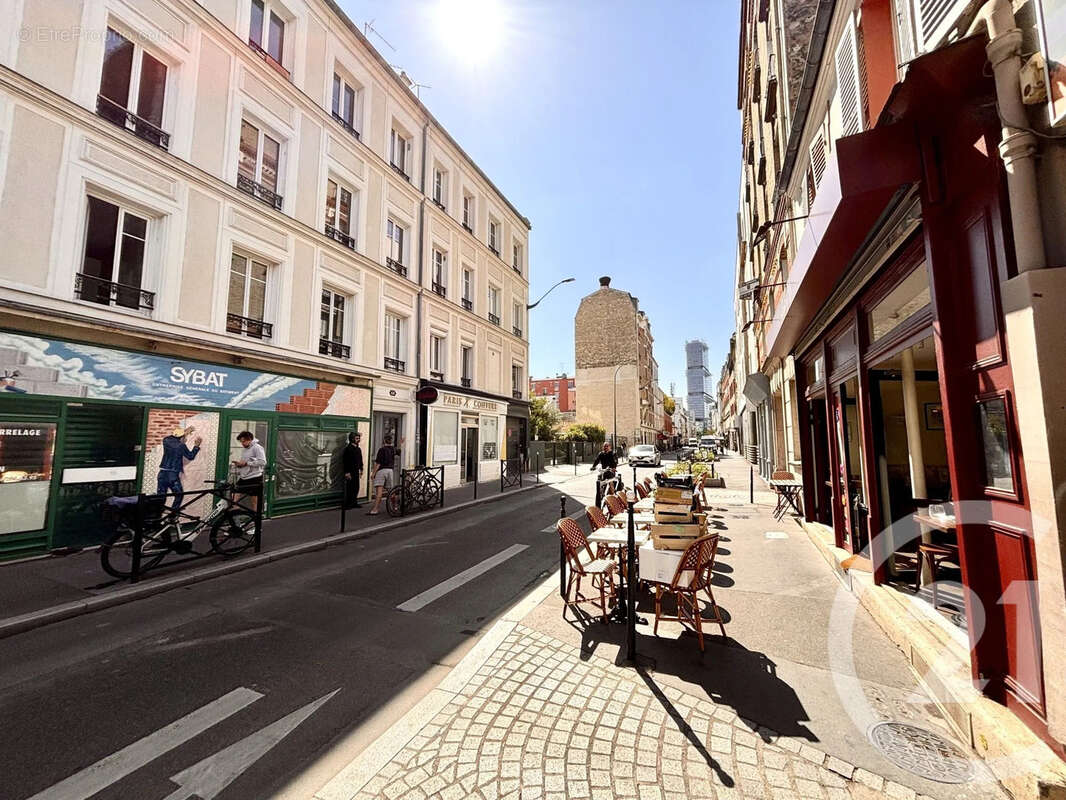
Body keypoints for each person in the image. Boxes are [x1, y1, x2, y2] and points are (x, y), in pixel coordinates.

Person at [156, 426, 202, 512]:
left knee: (160, 497)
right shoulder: (181, 446)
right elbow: (190, 456)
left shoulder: (166, 440)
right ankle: (173, 515)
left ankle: (157, 516)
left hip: (162, 474)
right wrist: (196, 446)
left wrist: (184, 433)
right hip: (172, 475)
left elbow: (174, 437)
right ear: (181, 437)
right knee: (179, 495)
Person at [231, 430, 267, 511]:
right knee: (235, 496)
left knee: (254, 501)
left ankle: (256, 520)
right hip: (244, 477)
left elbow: (263, 462)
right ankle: (236, 513)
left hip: (255, 477)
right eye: (241, 442)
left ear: (250, 439)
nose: (242, 444)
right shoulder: (245, 449)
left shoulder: (257, 448)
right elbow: (245, 463)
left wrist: (247, 463)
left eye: (243, 441)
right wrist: (239, 465)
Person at [368, 434, 397, 515]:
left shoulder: (382, 450)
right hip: (390, 471)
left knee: (379, 492)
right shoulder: (393, 450)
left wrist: (373, 473)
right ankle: (395, 506)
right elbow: (398, 451)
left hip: (381, 471)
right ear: (391, 441)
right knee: (391, 491)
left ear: (384, 441)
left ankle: (375, 509)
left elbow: (378, 463)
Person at [342, 431, 364, 508]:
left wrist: (361, 469)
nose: (358, 440)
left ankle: (354, 502)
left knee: (356, 487)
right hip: (350, 471)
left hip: (356, 471)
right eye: (357, 438)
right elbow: (345, 461)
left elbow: (360, 460)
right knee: (349, 488)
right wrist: (347, 472)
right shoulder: (348, 449)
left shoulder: (358, 449)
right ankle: (348, 504)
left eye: (359, 438)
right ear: (352, 439)